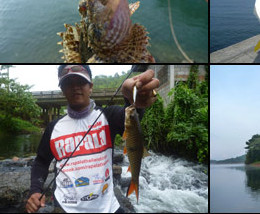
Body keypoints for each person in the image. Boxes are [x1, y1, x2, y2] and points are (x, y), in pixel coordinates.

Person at [25, 65, 161, 214]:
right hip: (65, 207)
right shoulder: (53, 127)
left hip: (108, 207)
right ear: (62, 89)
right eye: (68, 83)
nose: (75, 87)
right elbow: (41, 161)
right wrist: (35, 190)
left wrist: (134, 101)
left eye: (81, 82)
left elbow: (130, 119)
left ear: (90, 87)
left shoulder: (109, 116)